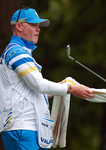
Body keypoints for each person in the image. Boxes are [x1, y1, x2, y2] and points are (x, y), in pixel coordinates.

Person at [0, 6, 94, 150]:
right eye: (33, 25)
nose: (38, 29)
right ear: (19, 26)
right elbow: (40, 85)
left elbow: (35, 91)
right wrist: (70, 89)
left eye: (38, 26)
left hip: (33, 128)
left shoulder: (24, 53)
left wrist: (60, 87)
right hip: (22, 128)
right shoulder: (16, 51)